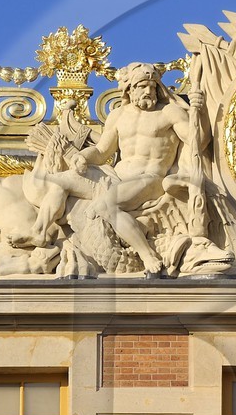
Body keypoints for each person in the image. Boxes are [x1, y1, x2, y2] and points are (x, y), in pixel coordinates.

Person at [29, 63, 209, 276]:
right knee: (59, 182)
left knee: (107, 206)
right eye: (143, 86)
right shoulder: (118, 115)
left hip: (150, 179)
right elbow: (102, 151)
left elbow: (198, 141)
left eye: (153, 86)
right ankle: (39, 233)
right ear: (130, 89)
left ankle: (147, 255)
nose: (149, 91)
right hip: (114, 175)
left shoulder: (169, 112)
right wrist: (82, 156)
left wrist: (201, 112)